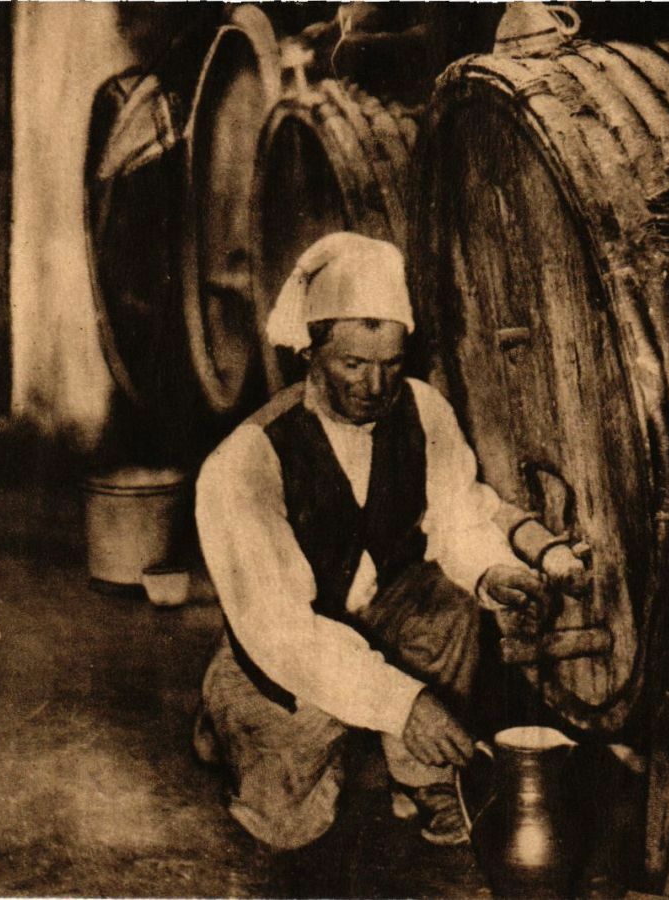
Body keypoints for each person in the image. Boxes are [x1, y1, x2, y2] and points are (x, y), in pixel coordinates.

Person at [192, 232, 584, 850]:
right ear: (312, 352)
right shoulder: (244, 462)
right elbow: (283, 630)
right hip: (284, 644)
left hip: (379, 611)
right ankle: (225, 709)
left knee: (450, 603)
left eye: (391, 364)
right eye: (353, 364)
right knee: (289, 826)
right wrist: (405, 705)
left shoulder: (423, 409)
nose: (375, 386)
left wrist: (492, 572)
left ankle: (424, 777)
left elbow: (457, 514)